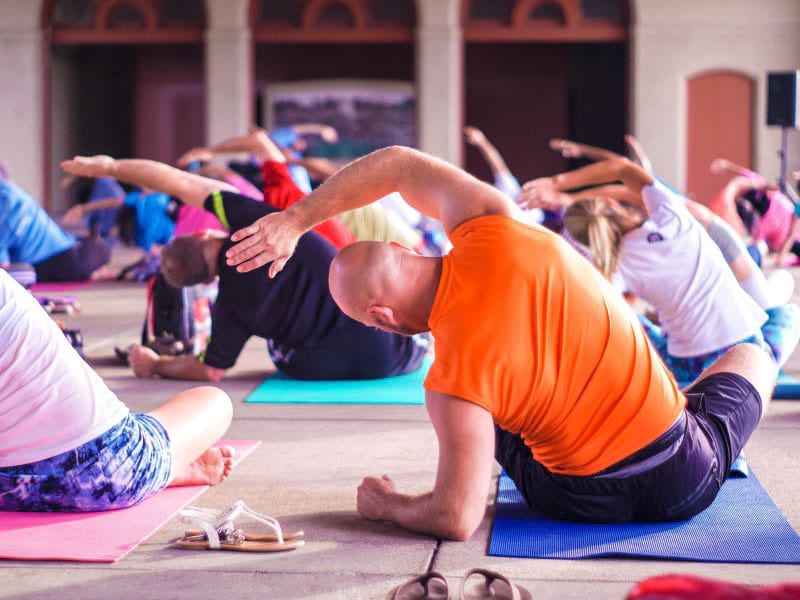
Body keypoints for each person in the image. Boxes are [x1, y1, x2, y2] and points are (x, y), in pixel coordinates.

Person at [217, 144, 776, 538]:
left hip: (574, 500)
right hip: (684, 475)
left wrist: (388, 506)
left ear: (381, 316)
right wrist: (295, 220)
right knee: (752, 354)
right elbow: (397, 164)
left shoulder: (450, 385)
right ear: (412, 252)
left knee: (487, 408)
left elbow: (455, 520)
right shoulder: (494, 222)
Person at [61, 154, 428, 383]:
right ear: (206, 232)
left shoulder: (229, 309)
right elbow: (182, 182)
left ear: (204, 281)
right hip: (393, 351)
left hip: (317, 369)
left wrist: (156, 364)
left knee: (278, 349)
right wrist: (110, 167)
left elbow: (209, 370)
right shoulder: (252, 221)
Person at [0, 269, 235, 512]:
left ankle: (167, 464)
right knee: (216, 401)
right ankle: (169, 464)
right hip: (109, 476)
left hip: (10, 491)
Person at [177, 128, 355, 250]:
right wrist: (210, 152)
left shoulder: (282, 198)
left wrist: (210, 152)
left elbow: (258, 141)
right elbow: (259, 142)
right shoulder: (283, 195)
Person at [0, 179, 111, 282]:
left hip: (52, 259)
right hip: (60, 253)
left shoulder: (8, 204)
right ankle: (92, 269)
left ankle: (91, 270)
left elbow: (4, 267)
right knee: (102, 249)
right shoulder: (10, 191)